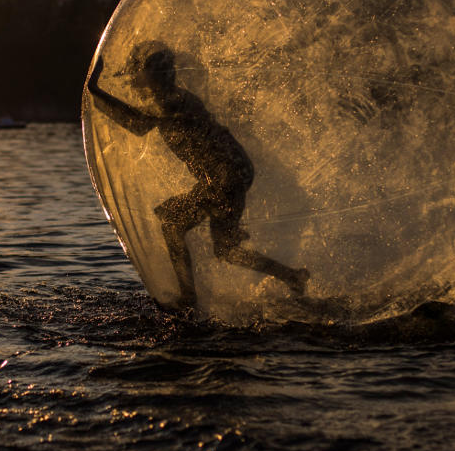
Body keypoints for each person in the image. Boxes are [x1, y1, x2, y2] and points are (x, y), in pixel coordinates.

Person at [87, 41, 309, 307]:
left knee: (172, 223)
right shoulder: (172, 99)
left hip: (226, 175)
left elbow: (136, 123)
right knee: (225, 249)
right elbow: (137, 120)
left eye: (142, 71)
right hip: (231, 172)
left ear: (155, 75)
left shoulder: (172, 101)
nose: (136, 77)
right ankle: (292, 276)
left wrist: (95, 90)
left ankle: (188, 297)